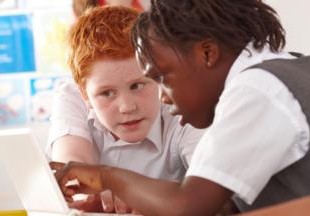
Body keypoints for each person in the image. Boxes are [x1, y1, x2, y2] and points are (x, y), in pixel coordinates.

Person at [50, 0, 310, 215]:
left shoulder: (257, 89)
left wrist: (105, 176)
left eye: (163, 77)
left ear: (206, 53)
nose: (164, 97)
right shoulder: (288, 69)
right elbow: (224, 204)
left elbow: (188, 206)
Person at [48, 5, 204, 214]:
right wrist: (87, 190)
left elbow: (209, 190)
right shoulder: (72, 95)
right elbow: (73, 170)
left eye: (137, 85)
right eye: (107, 93)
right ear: (85, 95)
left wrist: (123, 188)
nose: (127, 107)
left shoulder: (182, 105)